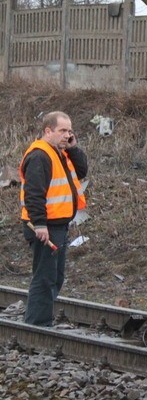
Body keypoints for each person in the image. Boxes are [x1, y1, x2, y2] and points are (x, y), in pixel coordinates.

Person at [19, 111, 88, 327]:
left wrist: (74, 147)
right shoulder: (40, 155)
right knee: (46, 277)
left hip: (57, 225)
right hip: (44, 226)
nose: (67, 135)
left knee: (55, 277)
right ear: (48, 131)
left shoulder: (59, 152)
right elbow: (34, 194)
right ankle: (37, 326)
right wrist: (40, 224)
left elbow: (82, 170)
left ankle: (38, 322)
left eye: (70, 131)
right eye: (63, 131)